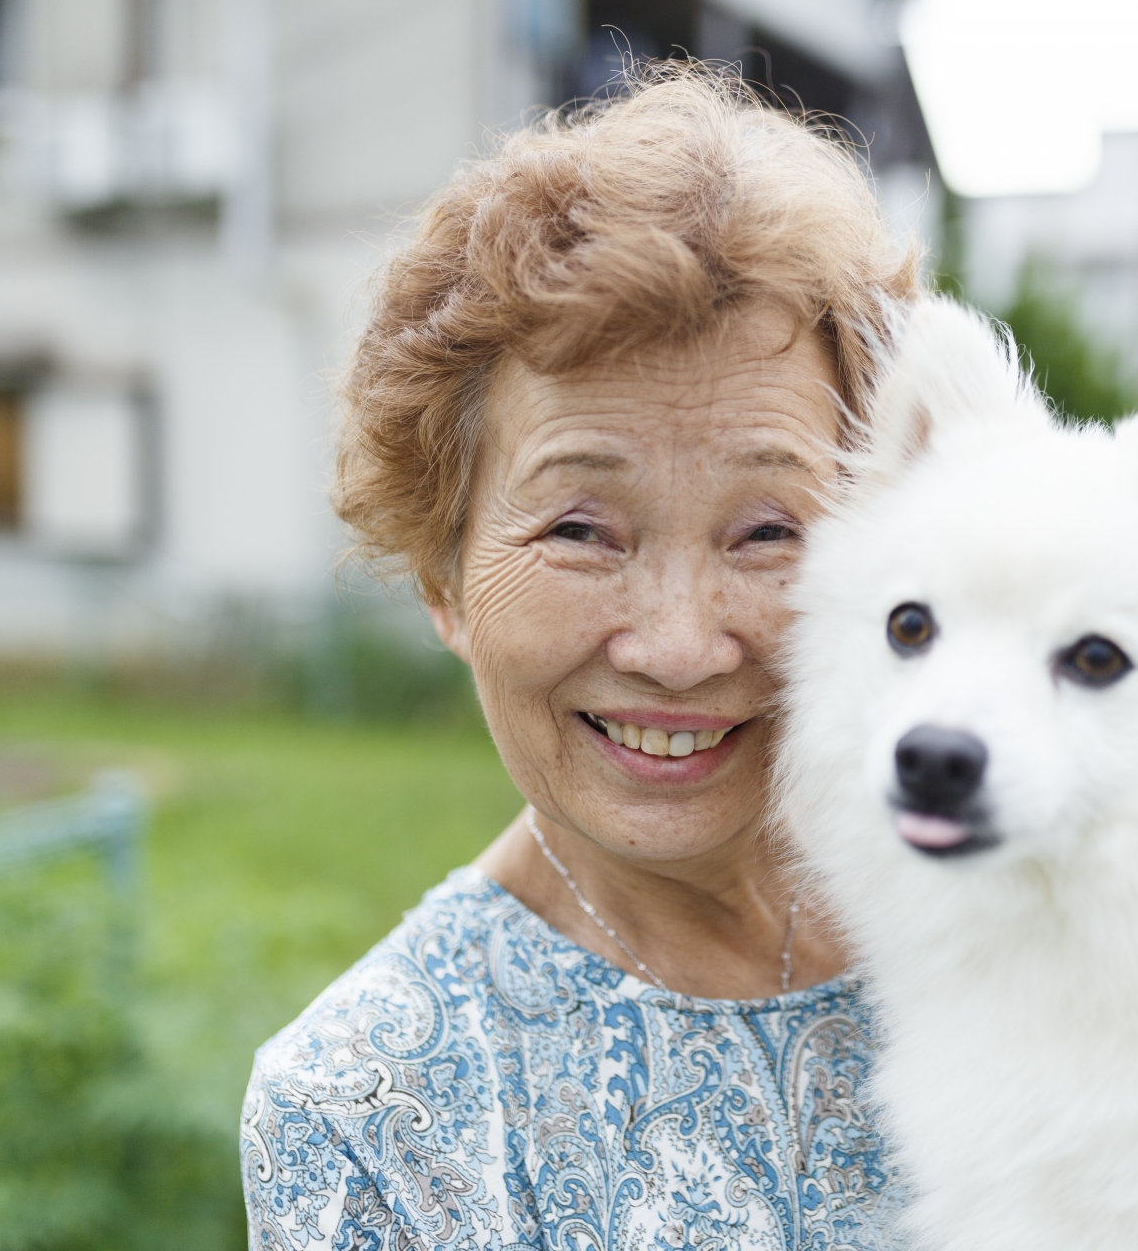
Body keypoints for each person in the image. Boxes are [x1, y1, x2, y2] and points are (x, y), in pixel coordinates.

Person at [239, 68, 921, 1250]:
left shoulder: (1040, 899)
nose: (676, 645)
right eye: (578, 529)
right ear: (444, 577)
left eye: (770, 530)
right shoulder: (366, 1110)